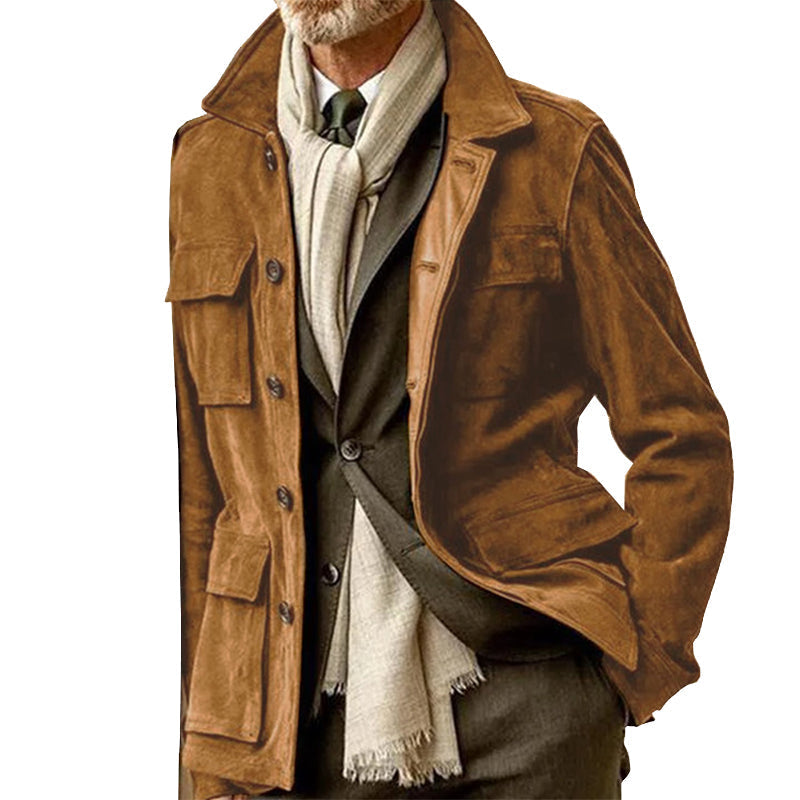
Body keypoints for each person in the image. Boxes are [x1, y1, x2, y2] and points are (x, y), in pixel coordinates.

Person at [166, 1, 734, 798]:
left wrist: (642, 661)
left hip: (531, 706)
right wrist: (213, 735)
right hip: (292, 710)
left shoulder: (554, 147)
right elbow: (209, 483)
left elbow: (679, 429)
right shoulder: (208, 160)